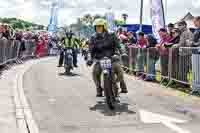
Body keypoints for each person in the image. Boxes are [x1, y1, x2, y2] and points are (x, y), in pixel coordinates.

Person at [87, 18, 128, 97]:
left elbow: (120, 45)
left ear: (104, 27)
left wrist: (123, 53)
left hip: (112, 57)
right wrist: (89, 58)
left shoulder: (112, 34)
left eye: (100, 26)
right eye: (96, 27)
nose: (98, 28)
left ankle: (122, 85)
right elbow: (90, 50)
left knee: (119, 70)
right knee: (95, 72)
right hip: (100, 58)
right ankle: (98, 88)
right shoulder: (93, 37)